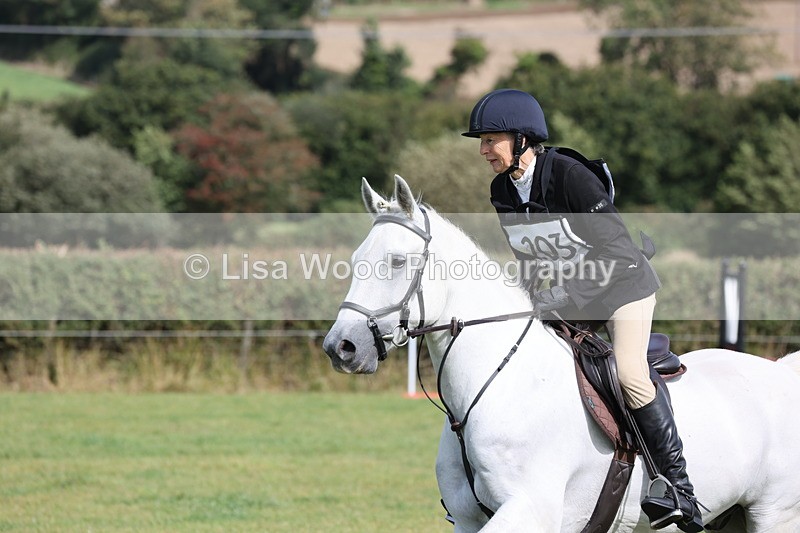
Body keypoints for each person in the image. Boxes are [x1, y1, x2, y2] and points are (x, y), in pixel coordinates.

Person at [462, 88, 704, 533]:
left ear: (520, 140)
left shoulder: (570, 176)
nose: (483, 151)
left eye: (490, 140)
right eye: (481, 141)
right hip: (572, 300)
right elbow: (530, 259)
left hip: (624, 287)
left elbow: (615, 250)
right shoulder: (502, 191)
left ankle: (677, 487)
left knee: (628, 371)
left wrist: (565, 290)